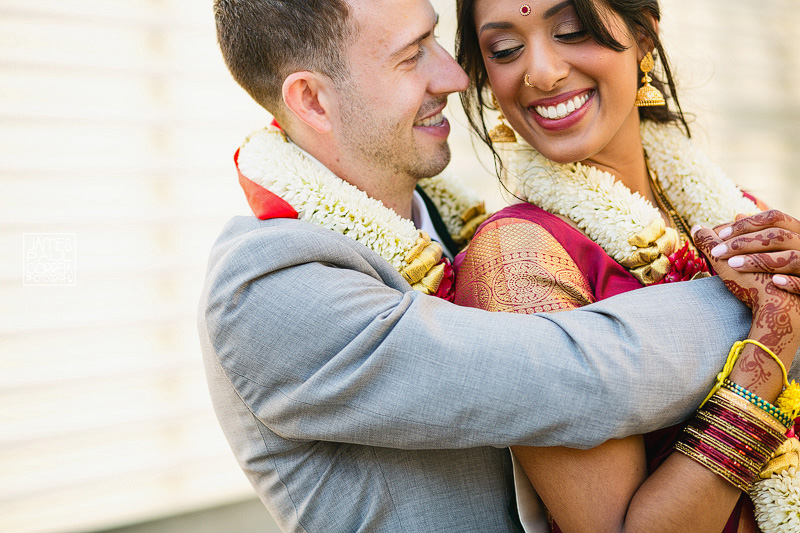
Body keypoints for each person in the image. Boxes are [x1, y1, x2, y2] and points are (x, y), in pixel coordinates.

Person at [199, 0, 791, 531]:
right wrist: (772, 298)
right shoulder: (267, 284)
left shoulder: (445, 227)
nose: (457, 77)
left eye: (438, 40)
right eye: (412, 58)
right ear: (311, 100)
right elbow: (570, 378)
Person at [452, 0, 800, 531]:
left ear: (644, 35)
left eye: (572, 31)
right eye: (505, 49)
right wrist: (773, 343)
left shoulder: (728, 212)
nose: (541, 72)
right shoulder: (515, 258)